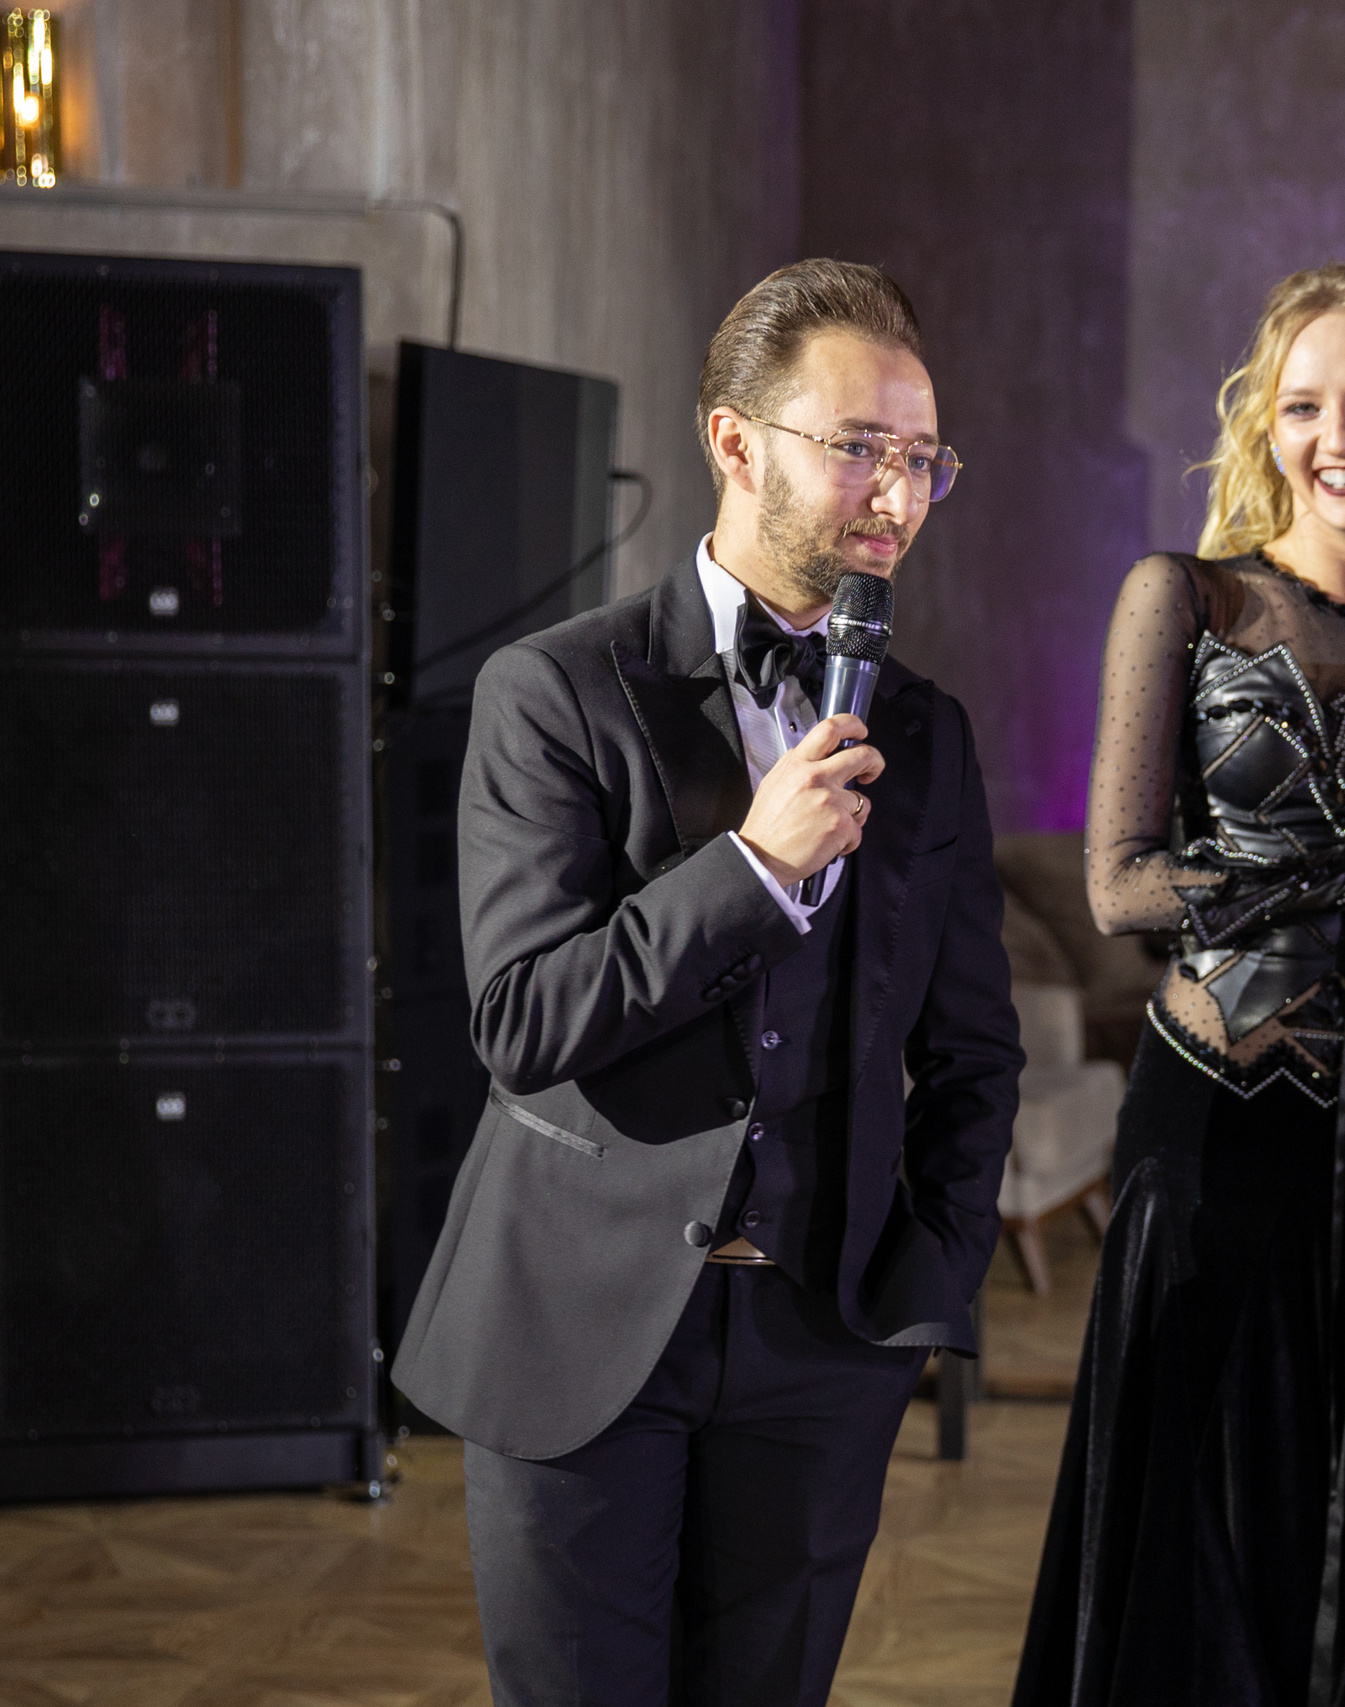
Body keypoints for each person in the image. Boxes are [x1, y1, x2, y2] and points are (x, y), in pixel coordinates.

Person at [392, 259, 1022, 1707]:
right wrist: (747, 865)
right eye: (858, 446)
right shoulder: (553, 692)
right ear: (735, 443)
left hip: (821, 1344)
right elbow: (522, 1019)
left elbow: (975, 1052)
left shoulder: (927, 733)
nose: (898, 492)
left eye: (923, 456)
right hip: (576, 1334)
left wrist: (916, 1292)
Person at [1012, 263, 1345, 1707]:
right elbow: (1124, 885)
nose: (1338, 433)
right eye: (1304, 404)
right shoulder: (1186, 598)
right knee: (1201, 1484)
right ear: (1266, 426)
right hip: (1217, 1121)